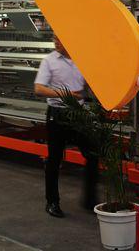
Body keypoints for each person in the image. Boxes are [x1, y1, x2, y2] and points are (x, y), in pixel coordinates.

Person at [34, 36, 98, 218]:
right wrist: (66, 94)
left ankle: (90, 200)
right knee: (54, 159)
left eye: (60, 38)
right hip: (58, 114)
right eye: (54, 38)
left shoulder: (82, 60)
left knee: (93, 154)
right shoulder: (49, 61)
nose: (56, 42)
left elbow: (89, 84)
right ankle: (52, 202)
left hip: (79, 114)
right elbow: (39, 89)